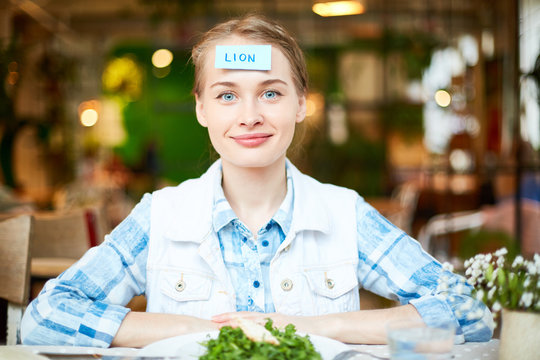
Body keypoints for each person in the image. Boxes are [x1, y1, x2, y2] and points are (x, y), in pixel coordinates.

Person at [21, 14, 494, 348]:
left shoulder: (344, 213)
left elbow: (468, 312)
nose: (250, 116)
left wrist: (308, 327)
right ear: (202, 108)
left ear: (300, 103)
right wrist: (205, 332)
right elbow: (43, 317)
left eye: (271, 92)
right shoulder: (160, 216)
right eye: (227, 95)